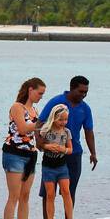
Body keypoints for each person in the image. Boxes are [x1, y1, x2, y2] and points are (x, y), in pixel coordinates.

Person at [39, 75, 97, 206]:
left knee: (70, 191)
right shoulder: (56, 102)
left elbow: (89, 131)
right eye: (81, 91)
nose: (84, 95)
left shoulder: (85, 109)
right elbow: (40, 122)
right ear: (72, 88)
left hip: (73, 153)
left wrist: (93, 153)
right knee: (49, 191)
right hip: (52, 153)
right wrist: (40, 143)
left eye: (86, 92)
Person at [2, 77, 46, 219]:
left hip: (30, 155)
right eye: (40, 93)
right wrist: (41, 123)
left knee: (25, 195)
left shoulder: (35, 111)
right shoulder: (17, 107)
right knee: (14, 195)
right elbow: (22, 128)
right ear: (30, 90)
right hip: (14, 153)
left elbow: (37, 133)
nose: (41, 97)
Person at [36, 104, 73, 219]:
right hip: (48, 166)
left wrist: (63, 150)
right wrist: (47, 146)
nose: (63, 122)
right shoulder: (46, 130)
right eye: (60, 119)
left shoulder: (66, 132)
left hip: (62, 166)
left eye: (65, 119)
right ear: (54, 118)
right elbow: (39, 146)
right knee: (50, 194)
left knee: (66, 191)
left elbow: (70, 149)